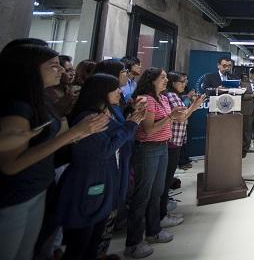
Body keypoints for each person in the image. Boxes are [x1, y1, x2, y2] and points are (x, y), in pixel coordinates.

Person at [0, 44, 109, 260]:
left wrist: (72, 122)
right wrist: (74, 133)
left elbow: (54, 135)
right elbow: (11, 165)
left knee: (32, 249)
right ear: (30, 69)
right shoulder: (18, 106)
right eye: (53, 66)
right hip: (18, 194)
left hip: (39, 186)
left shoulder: (43, 99)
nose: (61, 70)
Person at [56, 74, 146, 260]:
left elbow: (118, 134)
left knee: (96, 233)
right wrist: (130, 124)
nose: (119, 91)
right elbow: (105, 149)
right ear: (101, 92)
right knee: (83, 239)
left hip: (105, 176)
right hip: (90, 180)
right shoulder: (88, 118)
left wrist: (131, 120)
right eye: (114, 89)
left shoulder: (105, 112)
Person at [124, 68, 186, 259]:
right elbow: (148, 129)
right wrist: (170, 117)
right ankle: (134, 242)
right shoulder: (145, 100)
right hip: (148, 149)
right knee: (142, 195)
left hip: (162, 147)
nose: (166, 80)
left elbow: (175, 119)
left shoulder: (164, 98)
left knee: (157, 192)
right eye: (163, 77)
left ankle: (154, 230)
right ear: (151, 80)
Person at [160, 72, 204, 228]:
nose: (184, 84)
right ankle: (161, 215)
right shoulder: (171, 96)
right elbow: (181, 117)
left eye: (186, 81)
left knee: (167, 178)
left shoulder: (174, 95)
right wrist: (194, 106)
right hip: (171, 141)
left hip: (175, 141)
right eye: (182, 81)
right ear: (173, 82)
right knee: (164, 181)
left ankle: (163, 211)